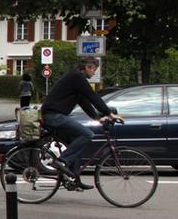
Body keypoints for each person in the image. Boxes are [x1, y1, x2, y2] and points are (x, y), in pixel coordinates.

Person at [40, 57, 121, 190]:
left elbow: (84, 101)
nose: (94, 73)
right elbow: (92, 96)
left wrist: (97, 117)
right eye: (94, 69)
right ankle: (61, 161)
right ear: (88, 67)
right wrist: (109, 113)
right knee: (87, 134)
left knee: (75, 143)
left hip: (54, 116)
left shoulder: (76, 78)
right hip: (54, 116)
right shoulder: (76, 76)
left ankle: (73, 179)